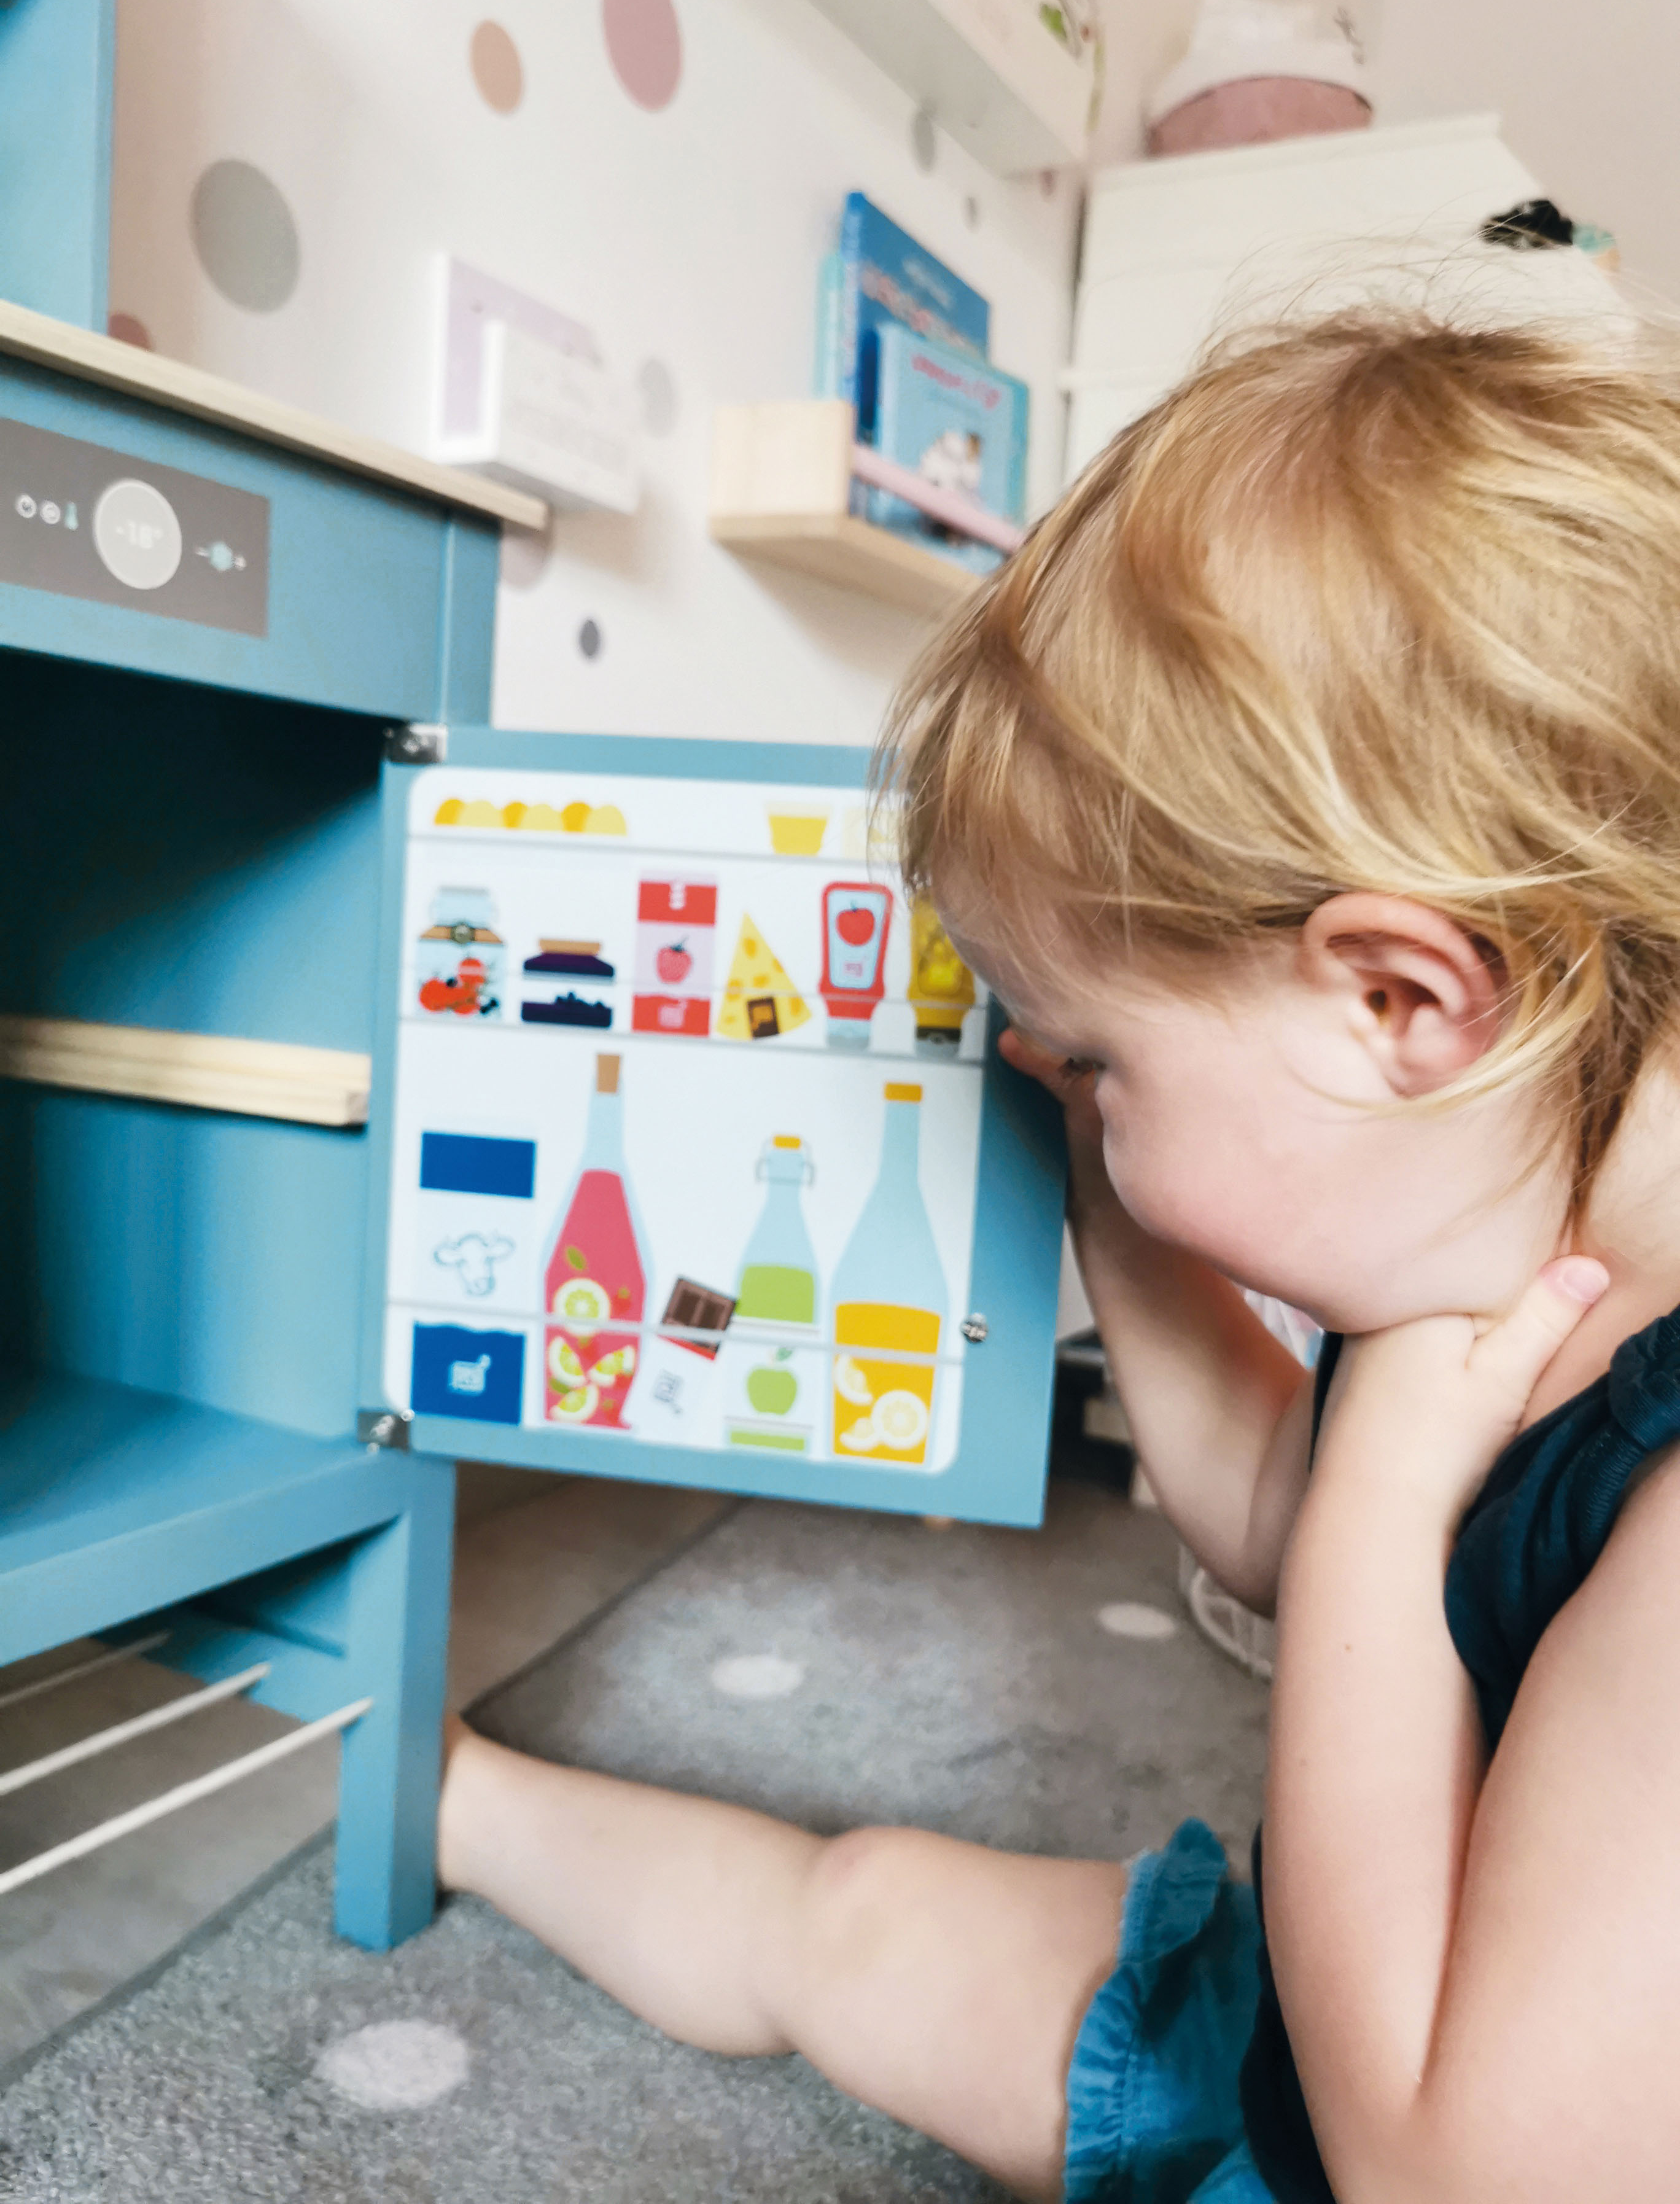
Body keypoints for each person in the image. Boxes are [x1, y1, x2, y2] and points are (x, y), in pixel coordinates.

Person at [438, 309, 1680, 2202]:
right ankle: (436, 1792)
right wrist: (1115, 1163)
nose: (1076, 1101)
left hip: (1392, 2138)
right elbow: (1291, 1497)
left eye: (1103, 1065)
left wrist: (1371, 1517)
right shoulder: (1501, 1195)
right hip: (1332, 1987)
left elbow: (1446, 2172)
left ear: (1402, 996)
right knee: (848, 1911)